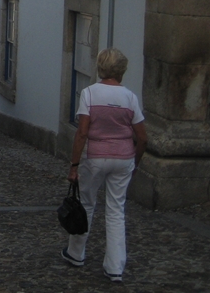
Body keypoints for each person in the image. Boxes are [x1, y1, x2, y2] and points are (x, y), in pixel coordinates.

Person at [62, 48, 148, 283]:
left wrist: (74, 166)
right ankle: (114, 267)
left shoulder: (89, 94)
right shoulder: (130, 98)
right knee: (116, 210)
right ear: (122, 70)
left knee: (87, 204)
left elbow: (82, 133)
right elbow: (142, 137)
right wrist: (135, 162)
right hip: (123, 158)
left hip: (95, 157)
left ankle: (76, 253)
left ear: (100, 67)